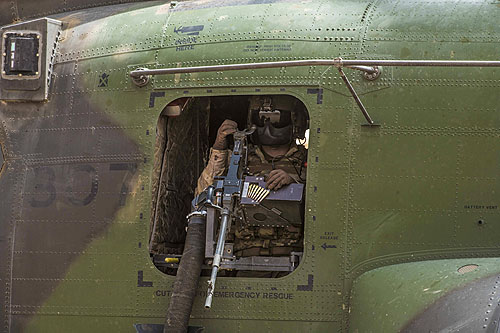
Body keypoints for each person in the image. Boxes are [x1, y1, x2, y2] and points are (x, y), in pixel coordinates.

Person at [196, 96, 308, 265]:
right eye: (261, 118)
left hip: (293, 261)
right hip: (244, 259)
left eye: (276, 118)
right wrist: (220, 146)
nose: (268, 125)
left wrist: (294, 182)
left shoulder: (309, 161)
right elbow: (203, 195)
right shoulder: (239, 158)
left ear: (294, 121)